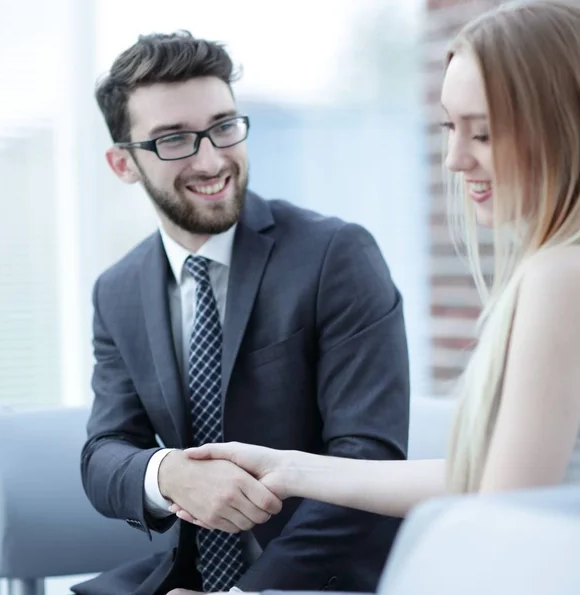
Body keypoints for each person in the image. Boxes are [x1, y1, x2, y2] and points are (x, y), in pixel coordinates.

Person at [177, 0, 580, 544]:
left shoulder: (559, 276)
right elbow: (486, 479)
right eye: (448, 128)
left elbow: (503, 513)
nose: (454, 160)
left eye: (483, 133)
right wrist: (294, 469)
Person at [73, 30, 410, 595]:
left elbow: (368, 457)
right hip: (188, 574)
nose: (211, 159)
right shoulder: (118, 290)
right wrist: (169, 474)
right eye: (174, 139)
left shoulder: (335, 256)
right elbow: (104, 456)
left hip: (320, 576)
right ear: (122, 164)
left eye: (224, 126)